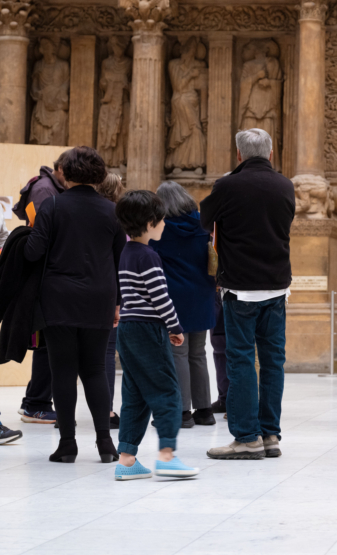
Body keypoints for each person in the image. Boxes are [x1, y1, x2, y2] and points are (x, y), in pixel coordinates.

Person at [23, 147, 123, 463]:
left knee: (62, 370)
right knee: (94, 368)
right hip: (99, 298)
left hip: (58, 299)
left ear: (66, 172)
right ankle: (106, 444)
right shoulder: (112, 211)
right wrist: (118, 302)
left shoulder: (52, 206)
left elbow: (32, 253)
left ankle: (67, 444)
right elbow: (121, 259)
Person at [201, 129, 295, 461]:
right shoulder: (286, 185)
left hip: (240, 288)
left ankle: (246, 437)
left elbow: (204, 219)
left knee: (240, 360)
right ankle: (270, 435)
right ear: (270, 154)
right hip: (278, 286)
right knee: (273, 362)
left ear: (239, 155)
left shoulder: (227, 186)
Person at [113, 190, 198, 480]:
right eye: (161, 220)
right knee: (167, 390)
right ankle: (167, 455)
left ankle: (126, 460)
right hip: (148, 330)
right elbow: (161, 299)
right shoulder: (150, 256)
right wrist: (175, 327)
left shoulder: (126, 252)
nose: (164, 225)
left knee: (135, 394)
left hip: (127, 328)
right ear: (150, 222)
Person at [152, 182, 217, 428]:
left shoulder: (161, 227)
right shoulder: (202, 222)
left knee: (178, 352)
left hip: (174, 297)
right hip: (202, 294)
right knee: (198, 353)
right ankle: (204, 411)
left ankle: (181, 413)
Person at [13, 155, 67, 426]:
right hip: (47, 276)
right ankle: (36, 403)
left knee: (49, 343)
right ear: (59, 170)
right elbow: (44, 237)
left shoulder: (50, 186)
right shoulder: (45, 189)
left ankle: (36, 401)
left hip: (48, 275)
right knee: (47, 343)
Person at [96, 171, 126, 429]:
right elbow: (121, 260)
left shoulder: (84, 212)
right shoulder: (119, 218)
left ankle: (64, 414)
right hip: (109, 291)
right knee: (106, 352)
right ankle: (105, 411)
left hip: (76, 289)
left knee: (72, 355)